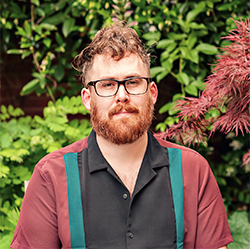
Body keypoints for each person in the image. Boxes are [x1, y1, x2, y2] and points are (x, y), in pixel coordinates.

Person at [11, 22, 233, 249]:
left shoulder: (193, 171)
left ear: (152, 93)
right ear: (87, 99)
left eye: (133, 82)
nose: (122, 95)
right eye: (107, 84)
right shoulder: (51, 176)